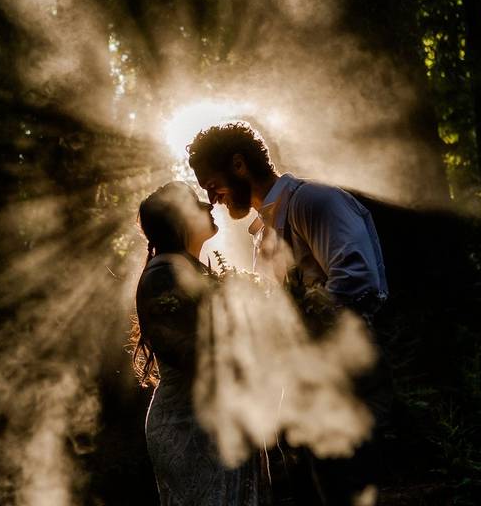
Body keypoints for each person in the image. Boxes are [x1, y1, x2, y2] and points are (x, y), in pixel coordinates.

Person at [187, 121, 391, 505]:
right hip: (297, 385)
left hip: (342, 378)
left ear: (238, 164)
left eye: (211, 184)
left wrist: (298, 326)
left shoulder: (315, 202)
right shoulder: (262, 234)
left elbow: (359, 280)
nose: (212, 198)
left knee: (346, 490)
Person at [132, 181, 268, 506]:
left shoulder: (190, 267)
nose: (209, 207)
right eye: (196, 203)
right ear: (180, 219)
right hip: (189, 426)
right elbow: (190, 354)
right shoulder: (163, 274)